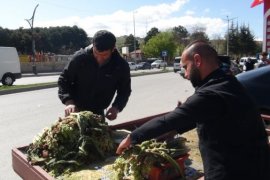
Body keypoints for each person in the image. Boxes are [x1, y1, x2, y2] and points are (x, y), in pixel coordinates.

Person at [116, 40, 270, 180]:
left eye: (185, 67)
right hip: (255, 167)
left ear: (197, 60)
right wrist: (176, 129)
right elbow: (207, 114)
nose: (186, 74)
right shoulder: (228, 83)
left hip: (235, 172)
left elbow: (169, 119)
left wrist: (133, 137)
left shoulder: (211, 93)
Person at [58, 30, 131, 120]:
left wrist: (116, 107)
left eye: (104, 55)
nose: (99, 59)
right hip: (75, 111)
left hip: (98, 113)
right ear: (93, 45)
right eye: (96, 54)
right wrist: (69, 102)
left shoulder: (120, 66)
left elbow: (124, 91)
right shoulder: (80, 58)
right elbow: (64, 80)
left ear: (113, 49)